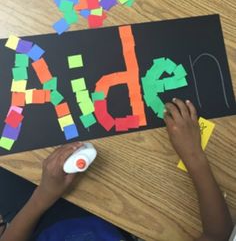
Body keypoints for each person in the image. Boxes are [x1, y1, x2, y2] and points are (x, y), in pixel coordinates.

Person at [0, 98, 234, 241]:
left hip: (35, 219)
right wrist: (193, 154)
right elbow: (218, 234)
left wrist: (43, 195)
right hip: (117, 215)